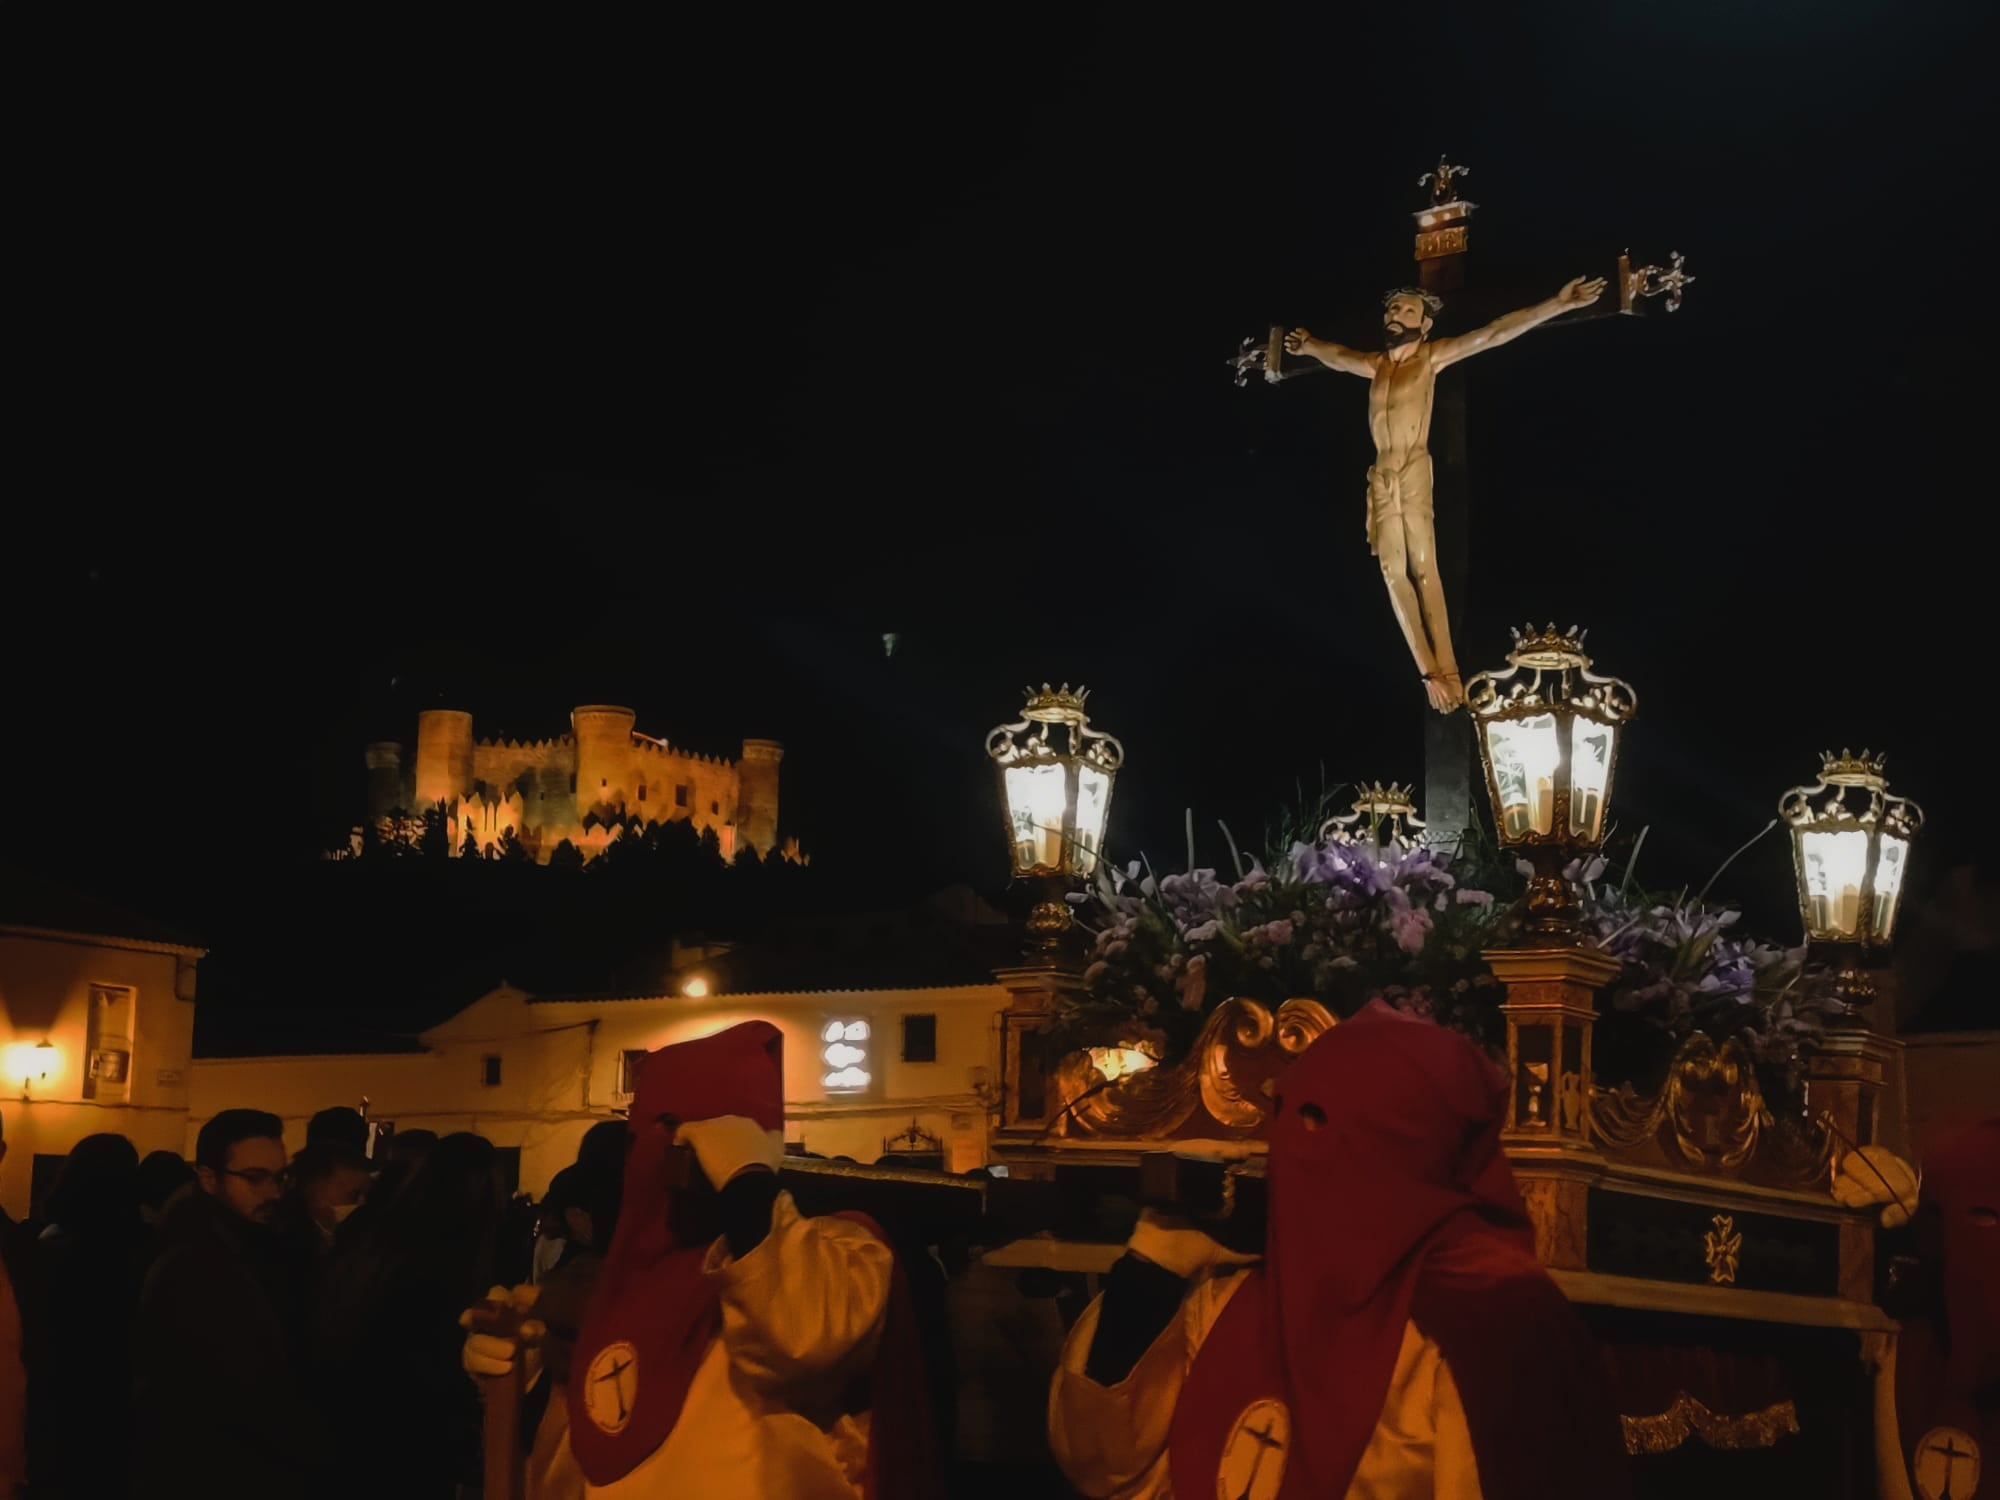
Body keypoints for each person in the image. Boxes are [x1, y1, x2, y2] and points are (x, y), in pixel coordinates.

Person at [1048, 1001, 1632, 1500]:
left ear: (1406, 1147)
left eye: (1320, 1122)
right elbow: (1107, 1470)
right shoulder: (1231, 1299)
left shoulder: (1490, 1323)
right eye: (1288, 1117)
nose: (1289, 1152)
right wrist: (1149, 1277)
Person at [461, 1020, 941, 1498]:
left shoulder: (834, 1255)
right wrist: (526, 1386)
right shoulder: (613, 1289)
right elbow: (577, 1463)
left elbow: (802, 1336)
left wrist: (747, 1183)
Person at [1285, 276, 1605, 713]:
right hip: (1381, 477)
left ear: (1426, 323)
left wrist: (1558, 303)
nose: (1395, 316)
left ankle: (1447, 672)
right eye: (1392, 310)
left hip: (1414, 469)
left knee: (1423, 568)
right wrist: (1308, 345)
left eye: (1407, 310)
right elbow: (1335, 355)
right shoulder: (1375, 365)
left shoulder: (1431, 358)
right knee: (1392, 573)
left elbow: (1494, 333)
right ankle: (1427, 671)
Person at [135, 1109, 312, 1499]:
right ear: (208, 1178)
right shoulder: (195, 1264)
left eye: (279, 1177)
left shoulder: (253, 1248)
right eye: (254, 1178)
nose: (272, 1192)